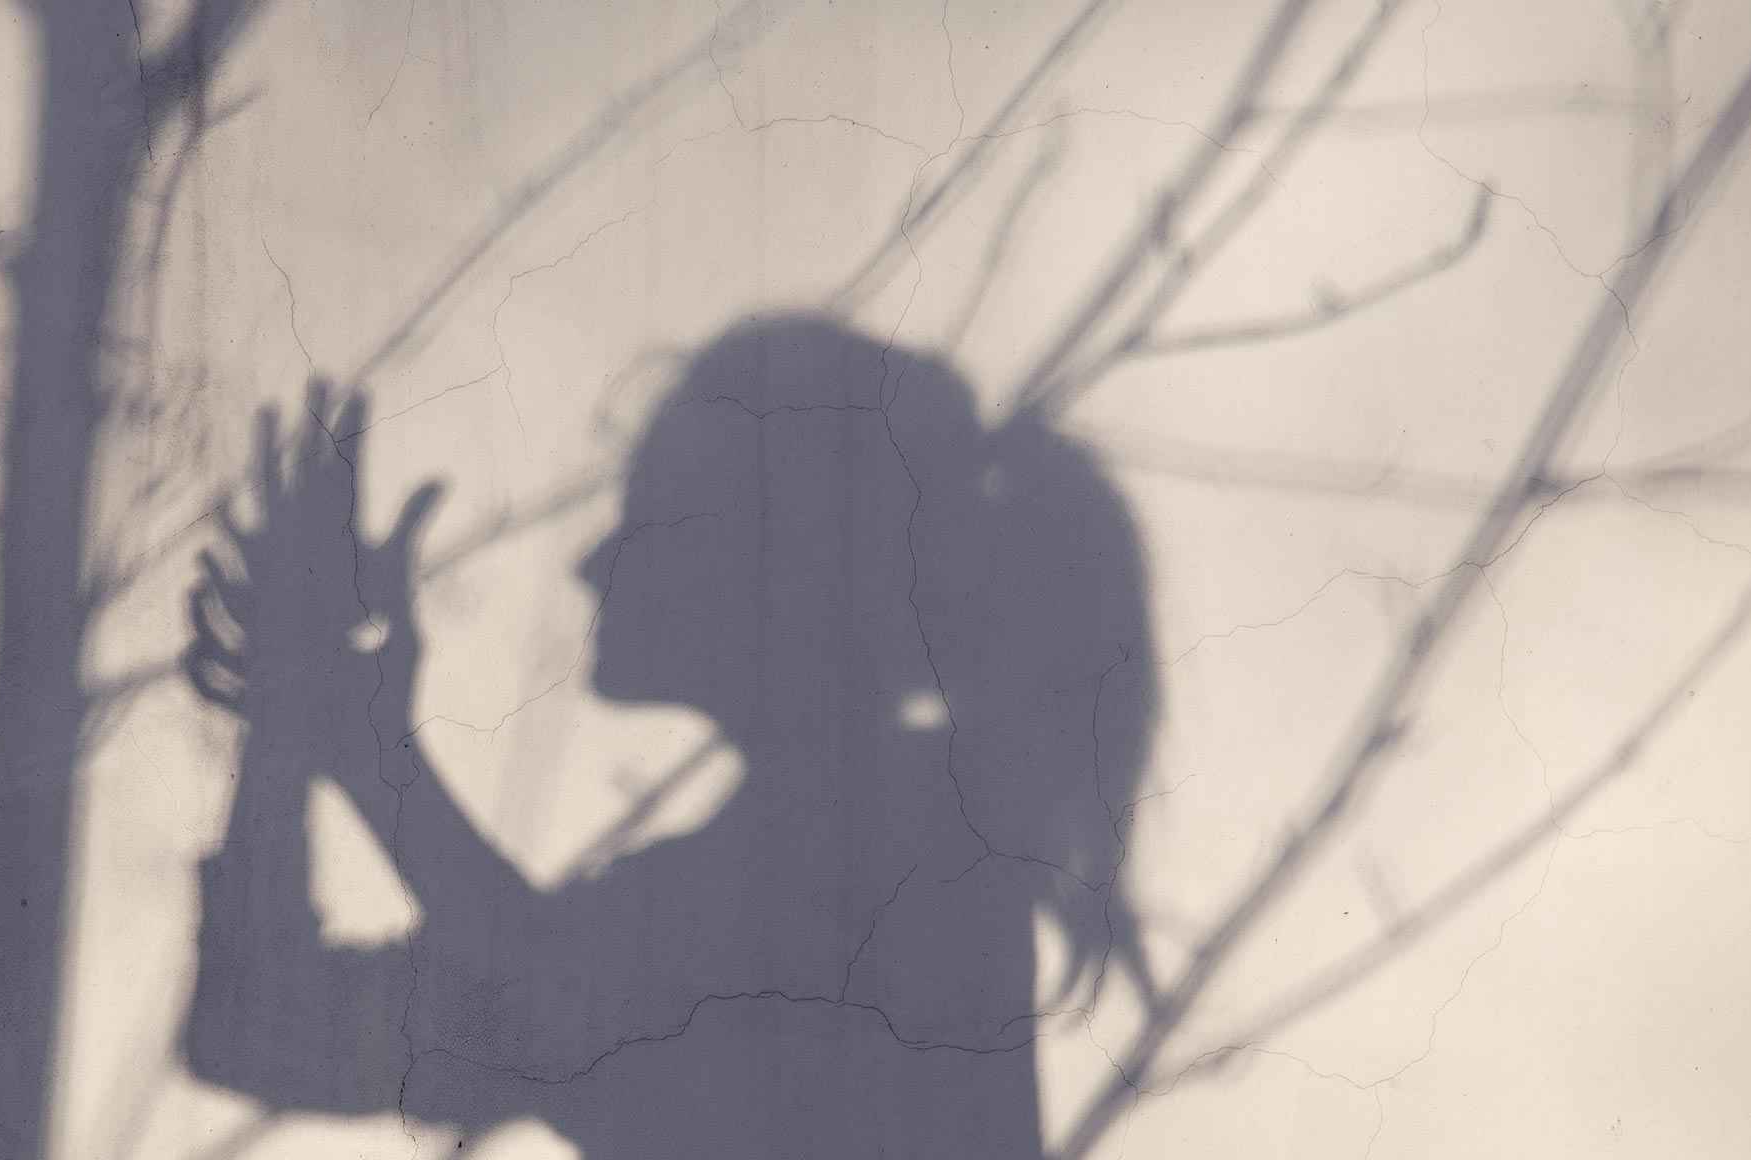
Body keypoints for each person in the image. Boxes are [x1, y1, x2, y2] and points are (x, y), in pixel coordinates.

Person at [181, 314, 1155, 1156]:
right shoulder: (771, 885)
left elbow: (574, 1000)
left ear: (790, 564)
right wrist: (290, 730)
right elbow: (263, 1025)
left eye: (654, 516)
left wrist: (357, 741)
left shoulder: (907, 870)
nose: (594, 561)